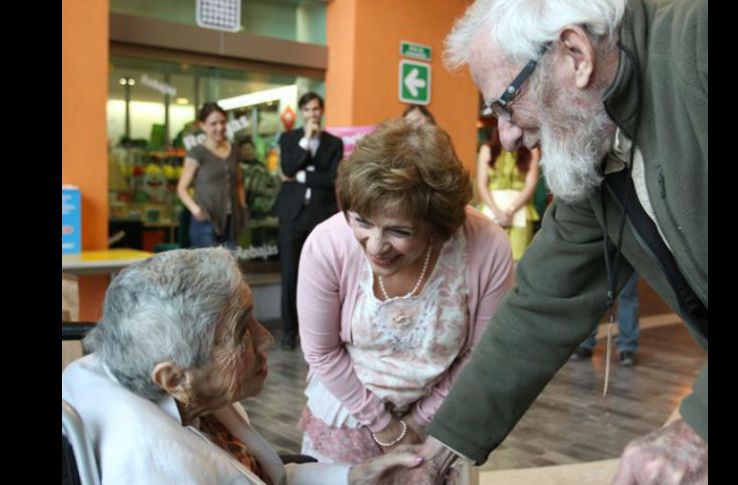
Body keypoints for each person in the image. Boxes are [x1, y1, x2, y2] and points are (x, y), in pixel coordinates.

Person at [392, 0, 708, 483]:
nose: (508, 137)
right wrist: (434, 459)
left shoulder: (698, 43)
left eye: (507, 104)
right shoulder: (597, 147)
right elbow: (541, 304)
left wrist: (697, 430)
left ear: (575, 55)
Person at [61, 248, 425, 485]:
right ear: (174, 378)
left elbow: (265, 476)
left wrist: (357, 476)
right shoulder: (162, 470)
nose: (266, 338)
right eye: (242, 331)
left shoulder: (173, 392)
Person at [295, 118, 514, 465]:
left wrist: (419, 421)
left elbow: (479, 355)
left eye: (398, 230)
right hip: (349, 413)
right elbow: (321, 352)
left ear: (439, 226)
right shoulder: (328, 244)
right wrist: (386, 427)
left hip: (444, 419)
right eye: (362, 221)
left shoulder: (487, 247)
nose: (376, 246)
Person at [271, 92, 343, 350]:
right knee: (290, 273)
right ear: (301, 112)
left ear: (321, 112)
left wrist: (302, 177)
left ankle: (316, 331)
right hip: (292, 214)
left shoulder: (333, 143)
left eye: (317, 109)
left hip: (320, 215)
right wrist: (306, 142)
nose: (313, 114)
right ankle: (289, 332)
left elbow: (332, 178)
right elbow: (288, 168)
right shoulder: (290, 139)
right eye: (308, 109)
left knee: (321, 274)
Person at [177, 102, 249, 249]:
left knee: (230, 267)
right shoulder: (197, 153)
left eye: (223, 122)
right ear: (203, 126)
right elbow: (182, 188)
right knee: (207, 269)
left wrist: (243, 206)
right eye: (213, 123)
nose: (219, 128)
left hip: (232, 221)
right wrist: (196, 210)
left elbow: (239, 182)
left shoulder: (234, 150)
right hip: (206, 220)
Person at [476, 127, 541, 270]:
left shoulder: (532, 150)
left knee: (516, 262)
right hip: (490, 212)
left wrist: (510, 211)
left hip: (519, 213)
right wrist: (497, 212)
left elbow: (530, 186)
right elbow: (481, 184)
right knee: (486, 261)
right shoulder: (487, 149)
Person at [572, 271, 641, 366]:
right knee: (592, 291)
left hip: (630, 257)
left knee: (628, 293)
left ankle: (627, 347)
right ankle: (585, 342)